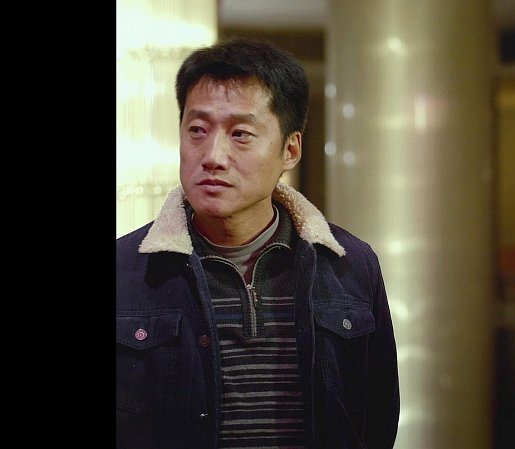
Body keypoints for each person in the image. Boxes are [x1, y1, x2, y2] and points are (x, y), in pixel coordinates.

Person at [116, 38, 400, 449]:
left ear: (290, 150)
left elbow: (376, 420)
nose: (213, 156)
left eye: (241, 134)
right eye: (197, 130)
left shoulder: (349, 264)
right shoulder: (126, 270)